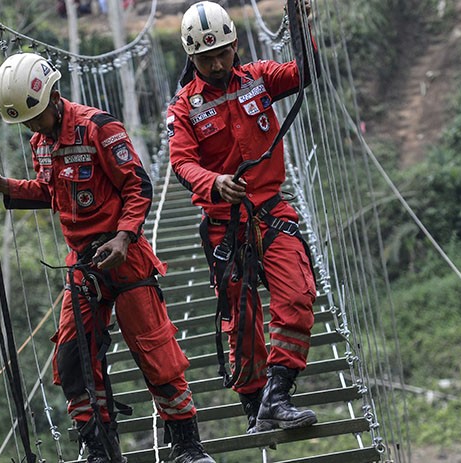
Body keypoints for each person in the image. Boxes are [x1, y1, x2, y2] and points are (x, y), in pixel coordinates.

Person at [0, 52, 215, 463]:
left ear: (55, 96)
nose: (32, 126)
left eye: (36, 117)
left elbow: (138, 186)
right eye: (25, 122)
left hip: (126, 255)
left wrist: (122, 237)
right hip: (83, 265)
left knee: (156, 353)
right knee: (72, 359)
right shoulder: (40, 144)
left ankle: (187, 444)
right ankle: (99, 448)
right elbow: (50, 193)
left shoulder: (99, 128)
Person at [166, 1, 320, 434]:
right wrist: (214, 183)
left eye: (223, 53)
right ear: (191, 58)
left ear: (235, 45)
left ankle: (278, 395)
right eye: (205, 58)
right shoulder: (183, 108)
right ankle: (255, 405)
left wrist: (301, 24)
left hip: (272, 212)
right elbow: (181, 163)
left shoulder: (260, 78)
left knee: (296, 297)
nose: (216, 64)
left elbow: (304, 73)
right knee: (243, 320)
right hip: (225, 226)